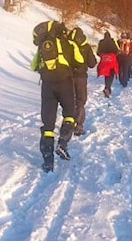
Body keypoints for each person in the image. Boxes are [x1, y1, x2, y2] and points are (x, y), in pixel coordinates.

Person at [31, 21, 84, 172]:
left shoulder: (43, 46)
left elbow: (33, 66)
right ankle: (62, 143)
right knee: (69, 115)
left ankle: (48, 162)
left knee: (47, 124)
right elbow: (80, 61)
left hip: (47, 86)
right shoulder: (68, 44)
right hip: (65, 83)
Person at [68, 27, 97, 136]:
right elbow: (92, 63)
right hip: (81, 77)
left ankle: (68, 123)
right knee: (80, 100)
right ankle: (78, 126)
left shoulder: (67, 45)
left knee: (69, 100)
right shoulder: (86, 46)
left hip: (68, 76)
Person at [96, 31, 120, 98]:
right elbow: (117, 51)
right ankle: (108, 88)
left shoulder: (101, 42)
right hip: (111, 60)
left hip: (104, 60)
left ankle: (107, 87)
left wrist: (102, 56)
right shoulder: (112, 42)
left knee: (106, 74)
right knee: (111, 74)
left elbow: (98, 52)